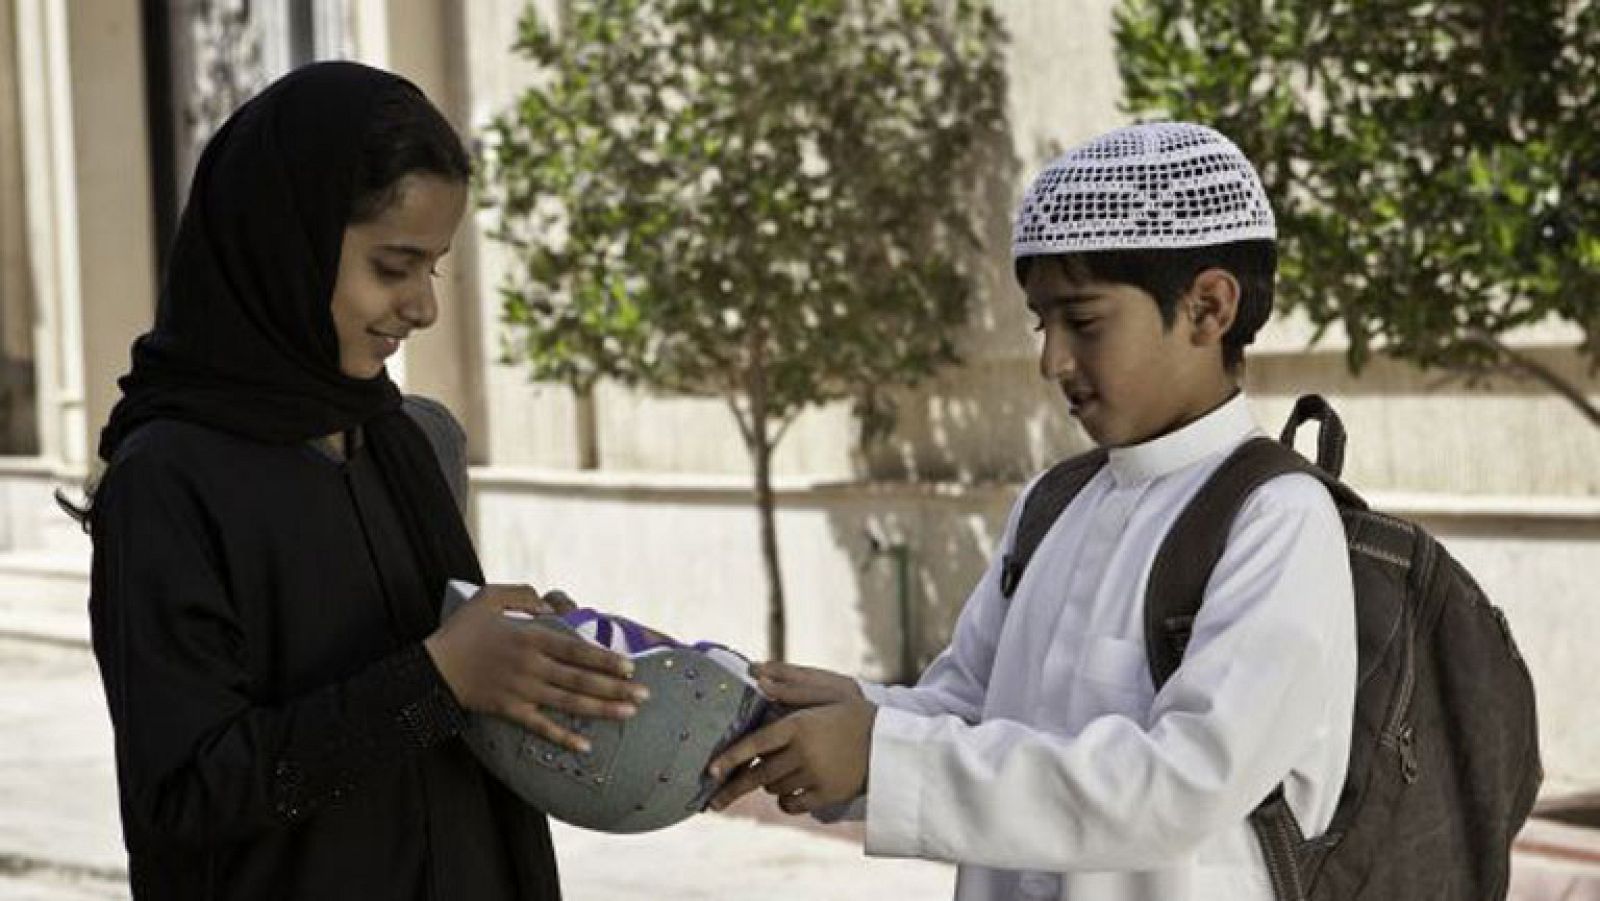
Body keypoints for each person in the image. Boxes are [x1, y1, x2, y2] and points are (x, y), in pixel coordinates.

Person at [706, 121, 1358, 900]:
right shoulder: (1054, 503)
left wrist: (883, 752)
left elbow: (1181, 782)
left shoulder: (1277, 518)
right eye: (1042, 323)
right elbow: (969, 711)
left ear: (1208, 307)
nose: (1052, 361)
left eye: (1083, 321)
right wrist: (841, 715)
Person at [83, 61, 649, 900]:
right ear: (288, 246)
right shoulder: (168, 480)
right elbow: (186, 792)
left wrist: (522, 657)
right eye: (393, 265)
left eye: (434, 268)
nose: (423, 306)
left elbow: (446, 687)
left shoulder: (401, 442)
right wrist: (439, 679)